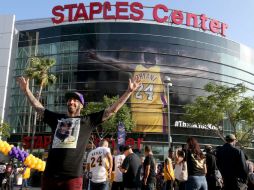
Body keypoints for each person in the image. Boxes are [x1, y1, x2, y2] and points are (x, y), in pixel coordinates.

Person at [16, 76, 140, 190]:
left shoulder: (87, 121)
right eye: (69, 100)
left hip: (72, 178)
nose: (71, 102)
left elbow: (111, 111)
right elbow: (39, 108)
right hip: (50, 176)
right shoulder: (56, 119)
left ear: (81, 105)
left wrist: (129, 91)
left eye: (75, 100)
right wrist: (27, 91)